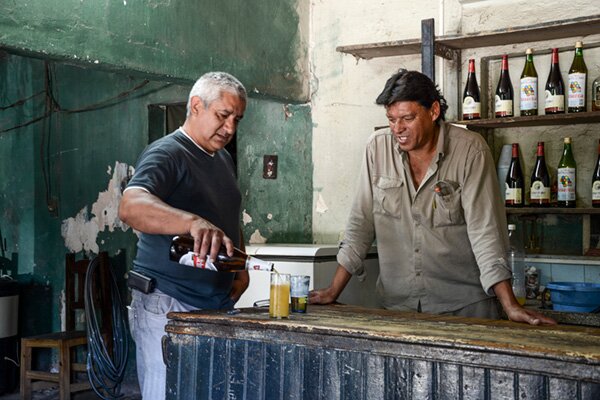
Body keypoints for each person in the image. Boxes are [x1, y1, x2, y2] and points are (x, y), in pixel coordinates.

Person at [310, 69, 555, 326]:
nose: (397, 129)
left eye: (407, 118)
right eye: (391, 119)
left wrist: (510, 306)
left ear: (434, 111)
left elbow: (486, 232)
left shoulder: (470, 150)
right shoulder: (377, 148)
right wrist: (332, 291)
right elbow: (360, 224)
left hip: (464, 309)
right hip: (397, 308)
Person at [118, 71, 249, 399]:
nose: (230, 128)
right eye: (223, 116)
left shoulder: (222, 160)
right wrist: (192, 222)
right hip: (168, 301)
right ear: (196, 106)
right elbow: (131, 205)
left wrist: (240, 266)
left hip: (214, 304)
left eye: (237, 119)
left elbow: (228, 216)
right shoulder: (168, 152)